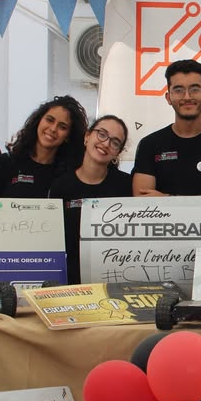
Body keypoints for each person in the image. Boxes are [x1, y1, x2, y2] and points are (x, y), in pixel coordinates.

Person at [133, 59, 201, 196]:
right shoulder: (149, 145)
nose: (187, 97)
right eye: (178, 90)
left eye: (194, 89)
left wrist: (168, 198)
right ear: (168, 97)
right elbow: (142, 199)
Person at [49, 116, 132, 284]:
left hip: (113, 279)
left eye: (115, 142)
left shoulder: (126, 185)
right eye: (102, 134)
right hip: (69, 280)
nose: (106, 143)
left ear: (118, 153)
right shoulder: (61, 185)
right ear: (87, 137)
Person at [0, 95, 88, 198]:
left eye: (62, 127)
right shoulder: (6, 162)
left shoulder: (70, 173)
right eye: (49, 120)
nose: (53, 129)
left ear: (68, 136)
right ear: (39, 120)